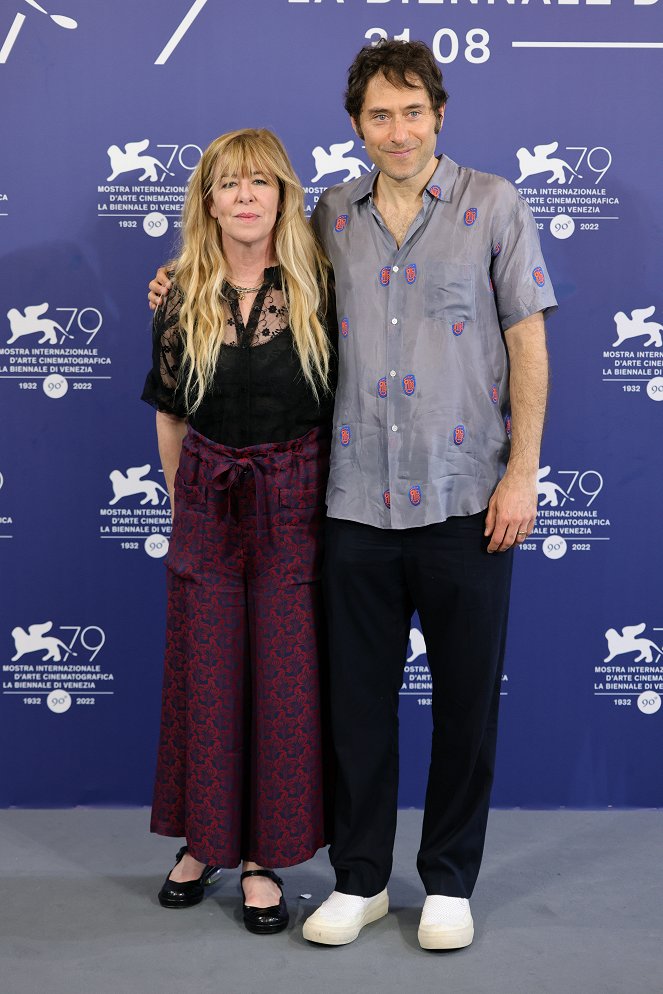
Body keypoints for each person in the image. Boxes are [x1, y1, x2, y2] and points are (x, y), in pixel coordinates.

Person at [148, 41, 557, 952]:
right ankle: (363, 878)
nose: (398, 130)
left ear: (438, 116)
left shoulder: (494, 204)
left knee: (463, 705)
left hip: (466, 501)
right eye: (379, 115)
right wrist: (179, 280)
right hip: (350, 508)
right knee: (355, 708)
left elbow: (526, 341)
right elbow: (245, 265)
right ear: (356, 126)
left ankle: (448, 881)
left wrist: (523, 472)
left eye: (412, 112)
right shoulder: (328, 217)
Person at [142, 128, 335, 935]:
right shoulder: (176, 292)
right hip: (208, 502)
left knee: (282, 682)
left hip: (296, 502)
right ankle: (203, 844)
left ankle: (262, 858)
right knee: (207, 676)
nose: (245, 196)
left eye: (260, 181)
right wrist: (180, 497)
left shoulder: (324, 286)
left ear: (285, 195)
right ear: (209, 201)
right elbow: (171, 415)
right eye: (229, 184)